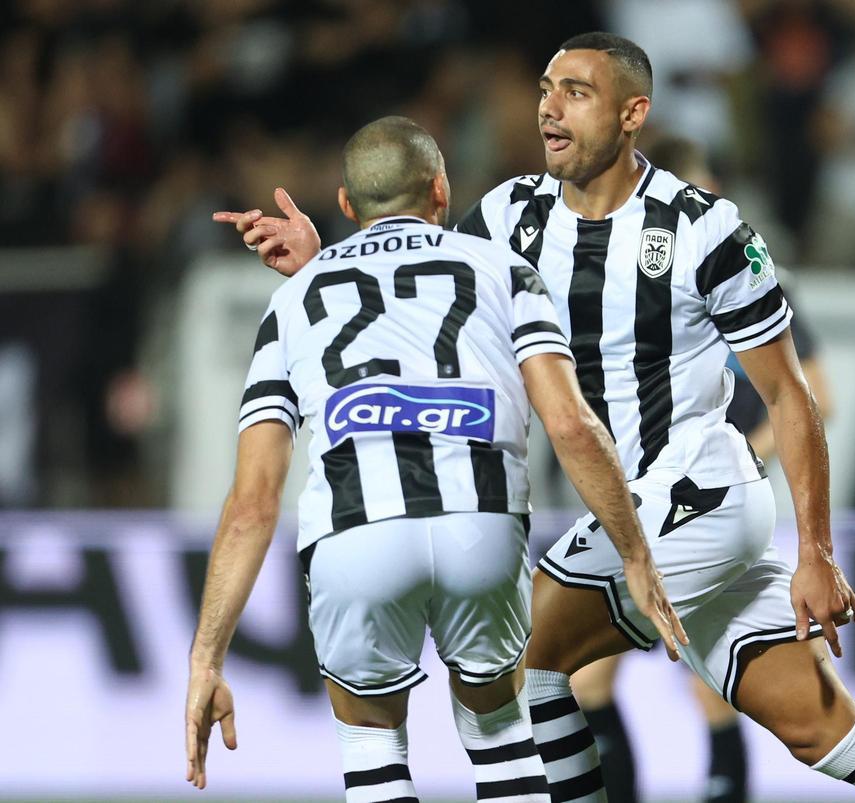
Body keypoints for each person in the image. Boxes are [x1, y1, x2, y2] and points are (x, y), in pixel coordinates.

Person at [222, 34, 855, 803]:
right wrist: (327, 256)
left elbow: (793, 396)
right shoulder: (510, 214)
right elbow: (422, 286)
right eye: (546, 88)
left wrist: (817, 550)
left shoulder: (704, 228)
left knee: (520, 661)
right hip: (645, 512)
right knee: (823, 727)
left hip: (694, 494)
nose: (549, 108)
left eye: (576, 92)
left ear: (634, 113)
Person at [187, 115, 686, 802]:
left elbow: (252, 503)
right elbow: (570, 422)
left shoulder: (293, 301)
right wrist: (633, 550)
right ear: (442, 191)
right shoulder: (506, 271)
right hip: (479, 524)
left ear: (343, 206)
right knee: (500, 732)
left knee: (373, 742)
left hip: (356, 533)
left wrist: (206, 657)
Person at [566, 134, 836, 803]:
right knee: (590, 677)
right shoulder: (623, 285)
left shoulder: (752, 273)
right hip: (637, 499)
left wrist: (741, 455)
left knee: (698, 676)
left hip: (707, 501)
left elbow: (815, 396)